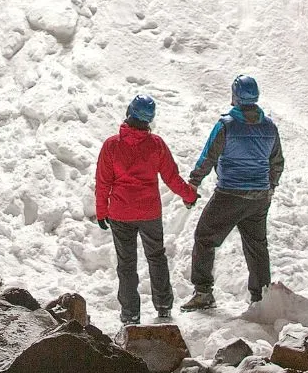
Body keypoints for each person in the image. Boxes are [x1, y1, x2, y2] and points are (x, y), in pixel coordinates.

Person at [183, 74, 284, 310]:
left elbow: (208, 156)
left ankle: (203, 293)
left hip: (229, 194)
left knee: (205, 238)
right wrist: (269, 187)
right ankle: (261, 299)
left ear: (235, 96)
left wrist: (194, 182)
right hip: (259, 197)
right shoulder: (269, 126)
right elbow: (277, 162)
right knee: (257, 246)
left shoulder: (226, 125)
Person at [95, 93, 198, 325]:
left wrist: (102, 211)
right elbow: (171, 177)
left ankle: (130, 313)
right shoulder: (156, 145)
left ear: (129, 113)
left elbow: (103, 182)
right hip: (150, 212)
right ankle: (163, 305)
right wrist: (189, 194)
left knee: (126, 263)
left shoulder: (111, 146)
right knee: (157, 257)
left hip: (121, 213)